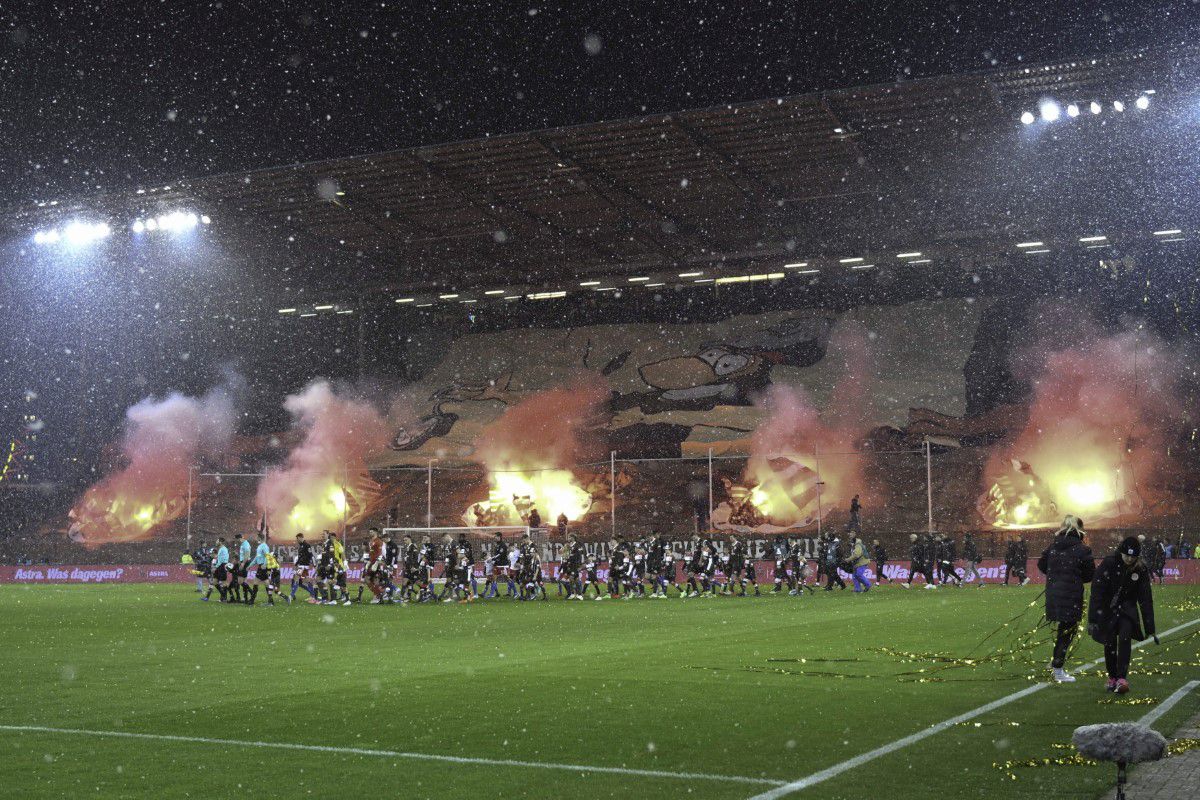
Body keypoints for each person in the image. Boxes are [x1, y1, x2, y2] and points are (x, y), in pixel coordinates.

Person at [1088, 536, 1158, 694]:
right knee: (1109, 642)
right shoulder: (1109, 563)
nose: (1129, 559)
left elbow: (1145, 598)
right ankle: (1112, 677)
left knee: (1125, 639)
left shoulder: (1140, 569)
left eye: (1133, 557)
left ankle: (1121, 678)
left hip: (1128, 610)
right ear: (1121, 552)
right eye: (1127, 555)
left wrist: (1150, 627)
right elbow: (1097, 592)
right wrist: (1093, 619)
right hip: (1108, 609)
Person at [1037, 515, 1095, 683]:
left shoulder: (1053, 545)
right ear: (1080, 530)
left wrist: (1056, 576)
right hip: (1071, 595)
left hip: (1054, 594)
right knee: (1067, 632)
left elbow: (1041, 565)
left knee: (1063, 629)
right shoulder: (1083, 549)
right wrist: (1074, 578)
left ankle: (1055, 661)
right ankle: (1058, 669)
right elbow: (1089, 574)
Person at [291, 533, 319, 603]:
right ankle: (313, 595)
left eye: (297, 539)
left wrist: (314, 565)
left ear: (300, 537)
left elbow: (311, 556)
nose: (297, 540)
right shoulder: (301, 546)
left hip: (303, 566)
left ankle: (291, 596)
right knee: (305, 580)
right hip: (301, 566)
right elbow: (300, 557)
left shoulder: (307, 545)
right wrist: (296, 564)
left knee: (296, 578)